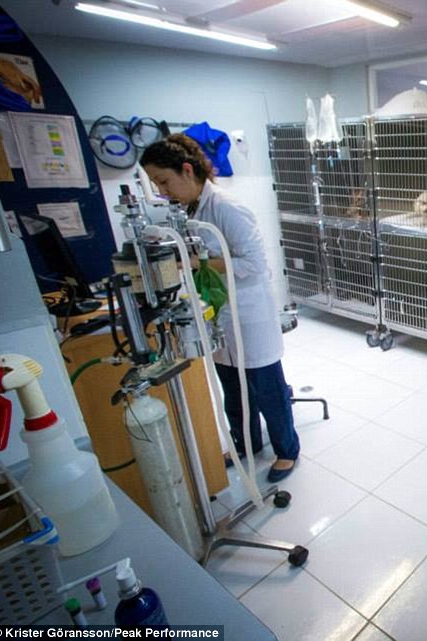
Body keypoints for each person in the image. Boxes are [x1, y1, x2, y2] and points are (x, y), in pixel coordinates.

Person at [140, 134, 300, 483]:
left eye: (164, 181)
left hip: (248, 313)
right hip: (218, 312)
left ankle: (287, 450)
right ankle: (246, 444)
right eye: (156, 185)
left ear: (187, 170)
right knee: (233, 389)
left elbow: (255, 265)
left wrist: (197, 263)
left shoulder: (226, 207)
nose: (162, 191)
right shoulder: (192, 210)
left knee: (266, 389)